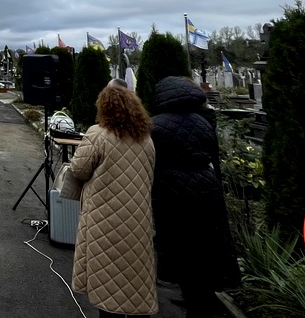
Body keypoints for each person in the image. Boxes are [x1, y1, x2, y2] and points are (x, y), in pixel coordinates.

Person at [151, 76, 240, 317]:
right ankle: (202, 299)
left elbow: (151, 164)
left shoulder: (155, 125)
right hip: (207, 192)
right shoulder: (203, 122)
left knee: (183, 250)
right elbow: (213, 158)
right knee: (205, 249)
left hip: (174, 195)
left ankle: (193, 298)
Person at [70, 80, 158, 317]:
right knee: (134, 282)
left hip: (104, 220)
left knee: (108, 284)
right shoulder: (146, 140)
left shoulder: (98, 134)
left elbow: (79, 169)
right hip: (138, 221)